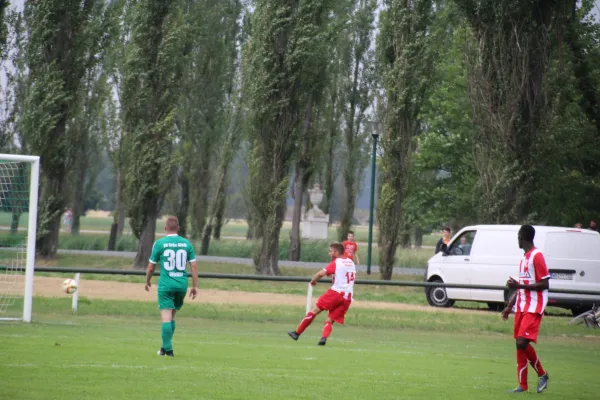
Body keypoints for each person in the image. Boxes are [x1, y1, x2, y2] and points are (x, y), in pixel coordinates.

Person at [502, 225, 550, 393]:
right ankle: (522, 386)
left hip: (534, 307)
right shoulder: (524, 259)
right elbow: (522, 287)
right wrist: (509, 306)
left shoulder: (537, 256)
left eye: (518, 236)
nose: (517, 239)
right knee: (519, 344)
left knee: (522, 342)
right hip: (522, 306)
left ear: (522, 237)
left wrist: (518, 285)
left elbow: (545, 284)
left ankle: (543, 374)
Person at [145, 216, 198, 357]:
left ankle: (169, 350)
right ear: (178, 228)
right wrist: (195, 286)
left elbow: (151, 267)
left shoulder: (160, 243)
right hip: (181, 285)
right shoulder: (187, 244)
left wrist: (147, 281)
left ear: (165, 228)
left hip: (166, 285)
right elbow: (193, 265)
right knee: (172, 317)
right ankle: (163, 348)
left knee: (166, 318)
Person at [288, 242, 355, 346]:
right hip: (348, 297)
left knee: (315, 310)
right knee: (330, 319)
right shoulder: (350, 262)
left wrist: (313, 281)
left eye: (331, 251)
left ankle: (297, 333)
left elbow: (321, 273)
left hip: (336, 293)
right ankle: (323, 338)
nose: (329, 253)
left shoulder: (337, 262)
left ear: (337, 252)